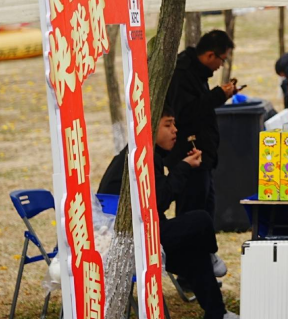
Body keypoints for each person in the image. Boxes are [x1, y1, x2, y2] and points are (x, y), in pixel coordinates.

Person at [99, 107, 237, 319]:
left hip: (139, 235)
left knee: (194, 253)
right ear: (152, 128)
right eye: (168, 124)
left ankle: (217, 314)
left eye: (174, 124)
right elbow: (158, 202)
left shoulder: (141, 154)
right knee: (201, 219)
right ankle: (211, 256)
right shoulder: (141, 158)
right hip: (130, 241)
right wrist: (183, 167)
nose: (175, 130)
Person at [169, 29, 238, 216]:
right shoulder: (182, 73)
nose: (221, 65)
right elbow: (186, 113)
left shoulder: (198, 73)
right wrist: (217, 95)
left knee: (205, 212)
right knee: (192, 213)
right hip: (189, 155)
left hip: (203, 158)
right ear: (210, 55)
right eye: (222, 60)